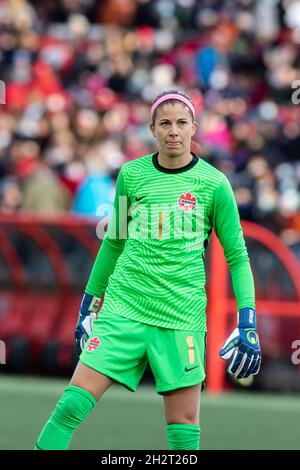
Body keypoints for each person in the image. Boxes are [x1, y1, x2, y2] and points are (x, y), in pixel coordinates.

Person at [34, 90, 261, 450]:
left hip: (181, 316)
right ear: (152, 129)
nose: (174, 131)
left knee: (183, 431)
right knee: (71, 404)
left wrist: (247, 321)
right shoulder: (131, 174)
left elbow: (238, 256)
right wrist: (87, 306)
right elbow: (114, 243)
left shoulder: (215, 184)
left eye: (182, 123)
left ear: (194, 129)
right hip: (123, 308)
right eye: (166, 123)